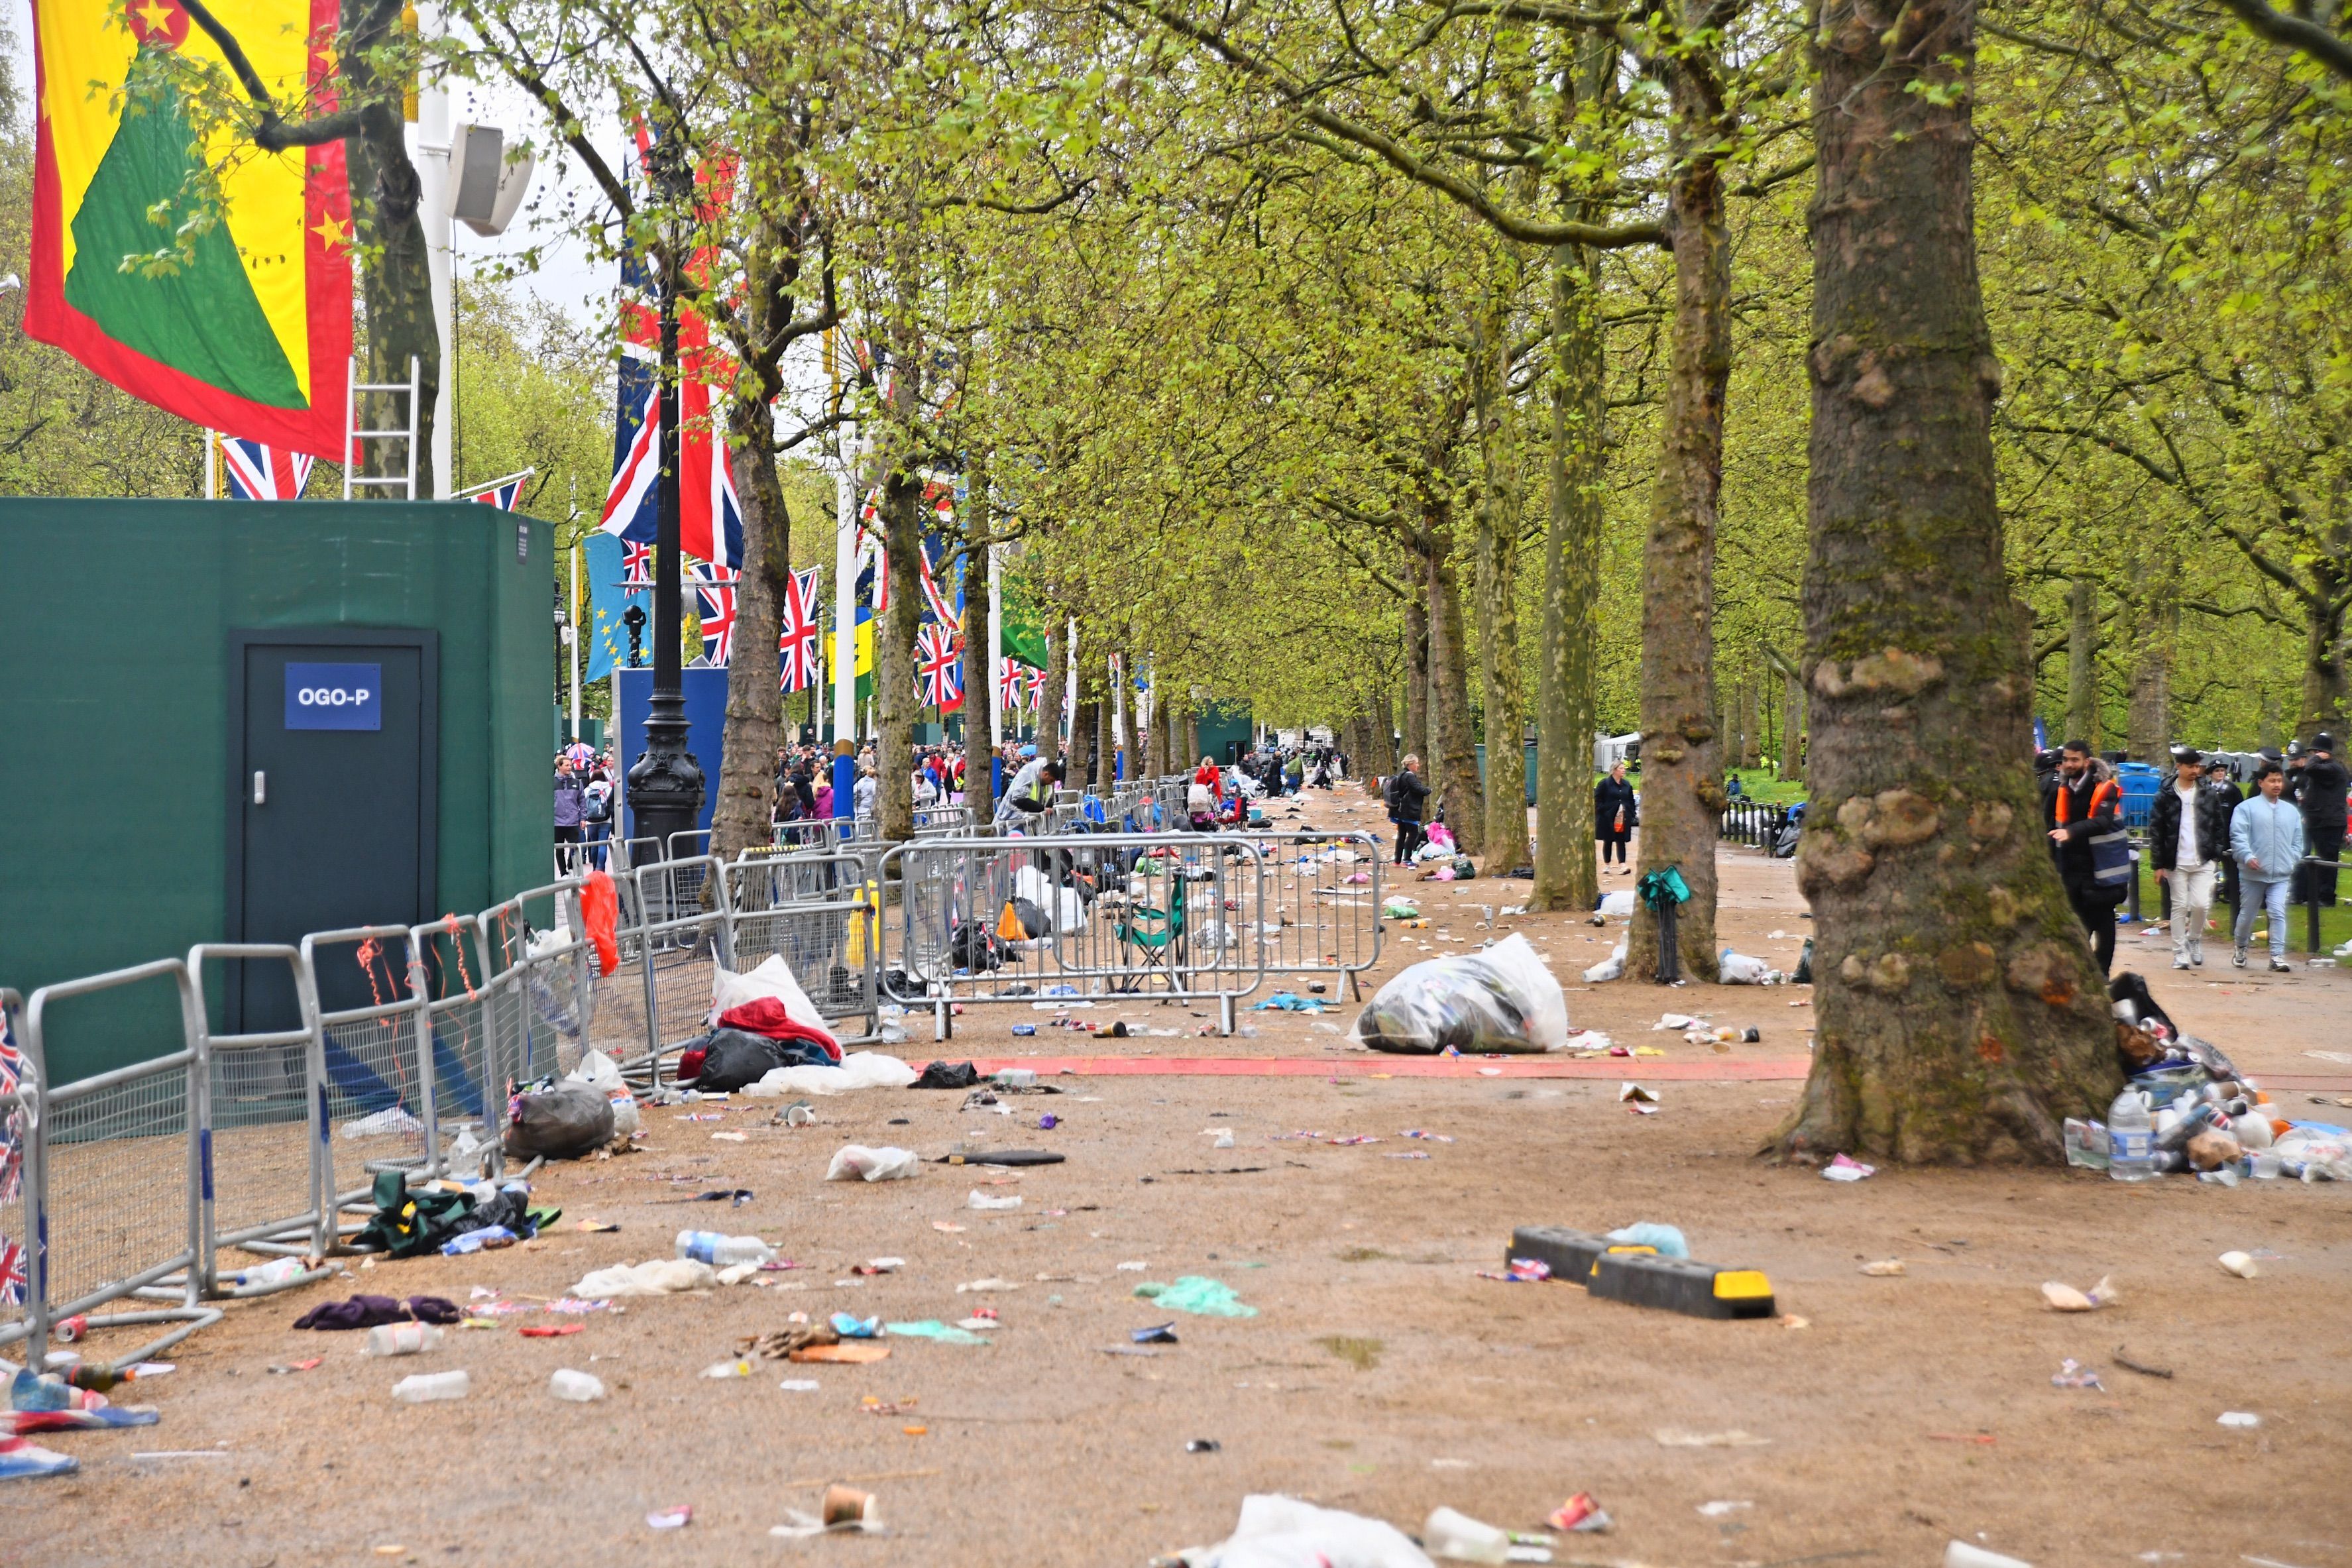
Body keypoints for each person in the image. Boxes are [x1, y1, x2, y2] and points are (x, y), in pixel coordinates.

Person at [2043, 739, 2123, 976]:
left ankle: (2102, 971)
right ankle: (2078, 970)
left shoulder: (2105, 787)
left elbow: (2103, 821)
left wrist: (2071, 832)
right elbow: (2050, 827)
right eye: (2066, 760)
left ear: (2087, 762)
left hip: (2101, 865)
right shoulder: (2060, 789)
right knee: (2075, 921)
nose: (2069, 764)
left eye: (2074, 760)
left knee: (2103, 920)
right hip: (2070, 865)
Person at [2148, 746, 2230, 970]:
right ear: (2179, 766)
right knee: (2179, 906)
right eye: (2191, 766)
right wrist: (2158, 864)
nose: (2195, 771)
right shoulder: (2165, 795)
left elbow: (2218, 824)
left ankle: (2193, 938)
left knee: (2201, 904)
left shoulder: (2207, 792)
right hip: (2176, 859)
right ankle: (2179, 952)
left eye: (2198, 767)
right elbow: (2156, 829)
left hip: (2203, 857)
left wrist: (2216, 853)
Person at [2230, 761, 2304, 973]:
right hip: (2253, 873)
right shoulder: (2246, 808)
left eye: (2280, 780)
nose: (2277, 785)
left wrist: (2292, 859)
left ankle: (2277, 956)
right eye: (2272, 781)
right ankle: (2241, 947)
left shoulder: (2291, 811)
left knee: (2277, 911)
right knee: (2248, 914)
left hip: (2281, 873)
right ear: (2261, 783)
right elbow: (2238, 836)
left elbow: (2298, 841)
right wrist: (2247, 856)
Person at [2290, 731, 2347, 908]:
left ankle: (2326, 896)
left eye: (2315, 752)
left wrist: (2316, 758)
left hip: (2329, 822)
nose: (2312, 756)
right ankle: (2307, 893)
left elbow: (2309, 767)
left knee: (2327, 861)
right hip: (2317, 820)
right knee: (2312, 859)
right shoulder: (2322, 771)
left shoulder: (2332, 768)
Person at [1594, 761, 1638, 875]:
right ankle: (1607, 864)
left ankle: (1622, 864)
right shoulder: (1605, 784)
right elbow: (1598, 799)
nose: (1624, 770)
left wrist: (1631, 812)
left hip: (1623, 816)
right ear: (1614, 770)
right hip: (1608, 816)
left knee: (1621, 840)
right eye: (1621, 768)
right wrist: (1602, 810)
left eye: (1624, 768)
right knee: (1608, 840)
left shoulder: (1627, 784)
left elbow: (1630, 800)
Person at [995, 755, 1064, 827]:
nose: (1051, 783)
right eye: (1051, 780)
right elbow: (1018, 799)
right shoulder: (1028, 774)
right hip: (1011, 819)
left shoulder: (1040, 781)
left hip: (1024, 821)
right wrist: (1042, 809)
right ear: (1046, 774)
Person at [1388, 754, 1429, 865]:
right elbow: (1419, 789)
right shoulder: (1410, 777)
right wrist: (1428, 790)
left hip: (1399, 810)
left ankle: (1397, 860)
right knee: (1413, 834)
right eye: (1416, 763)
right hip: (1408, 810)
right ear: (1411, 764)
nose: (1418, 765)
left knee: (1401, 835)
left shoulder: (1401, 774)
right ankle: (1407, 859)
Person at [552, 761, 585, 872]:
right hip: (557, 822)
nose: (569, 767)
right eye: (566, 765)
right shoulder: (552, 783)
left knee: (575, 847)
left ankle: (571, 868)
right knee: (559, 849)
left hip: (573, 821)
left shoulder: (577, 783)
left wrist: (583, 818)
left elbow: (582, 801)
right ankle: (563, 872)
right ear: (559, 766)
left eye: (570, 765)